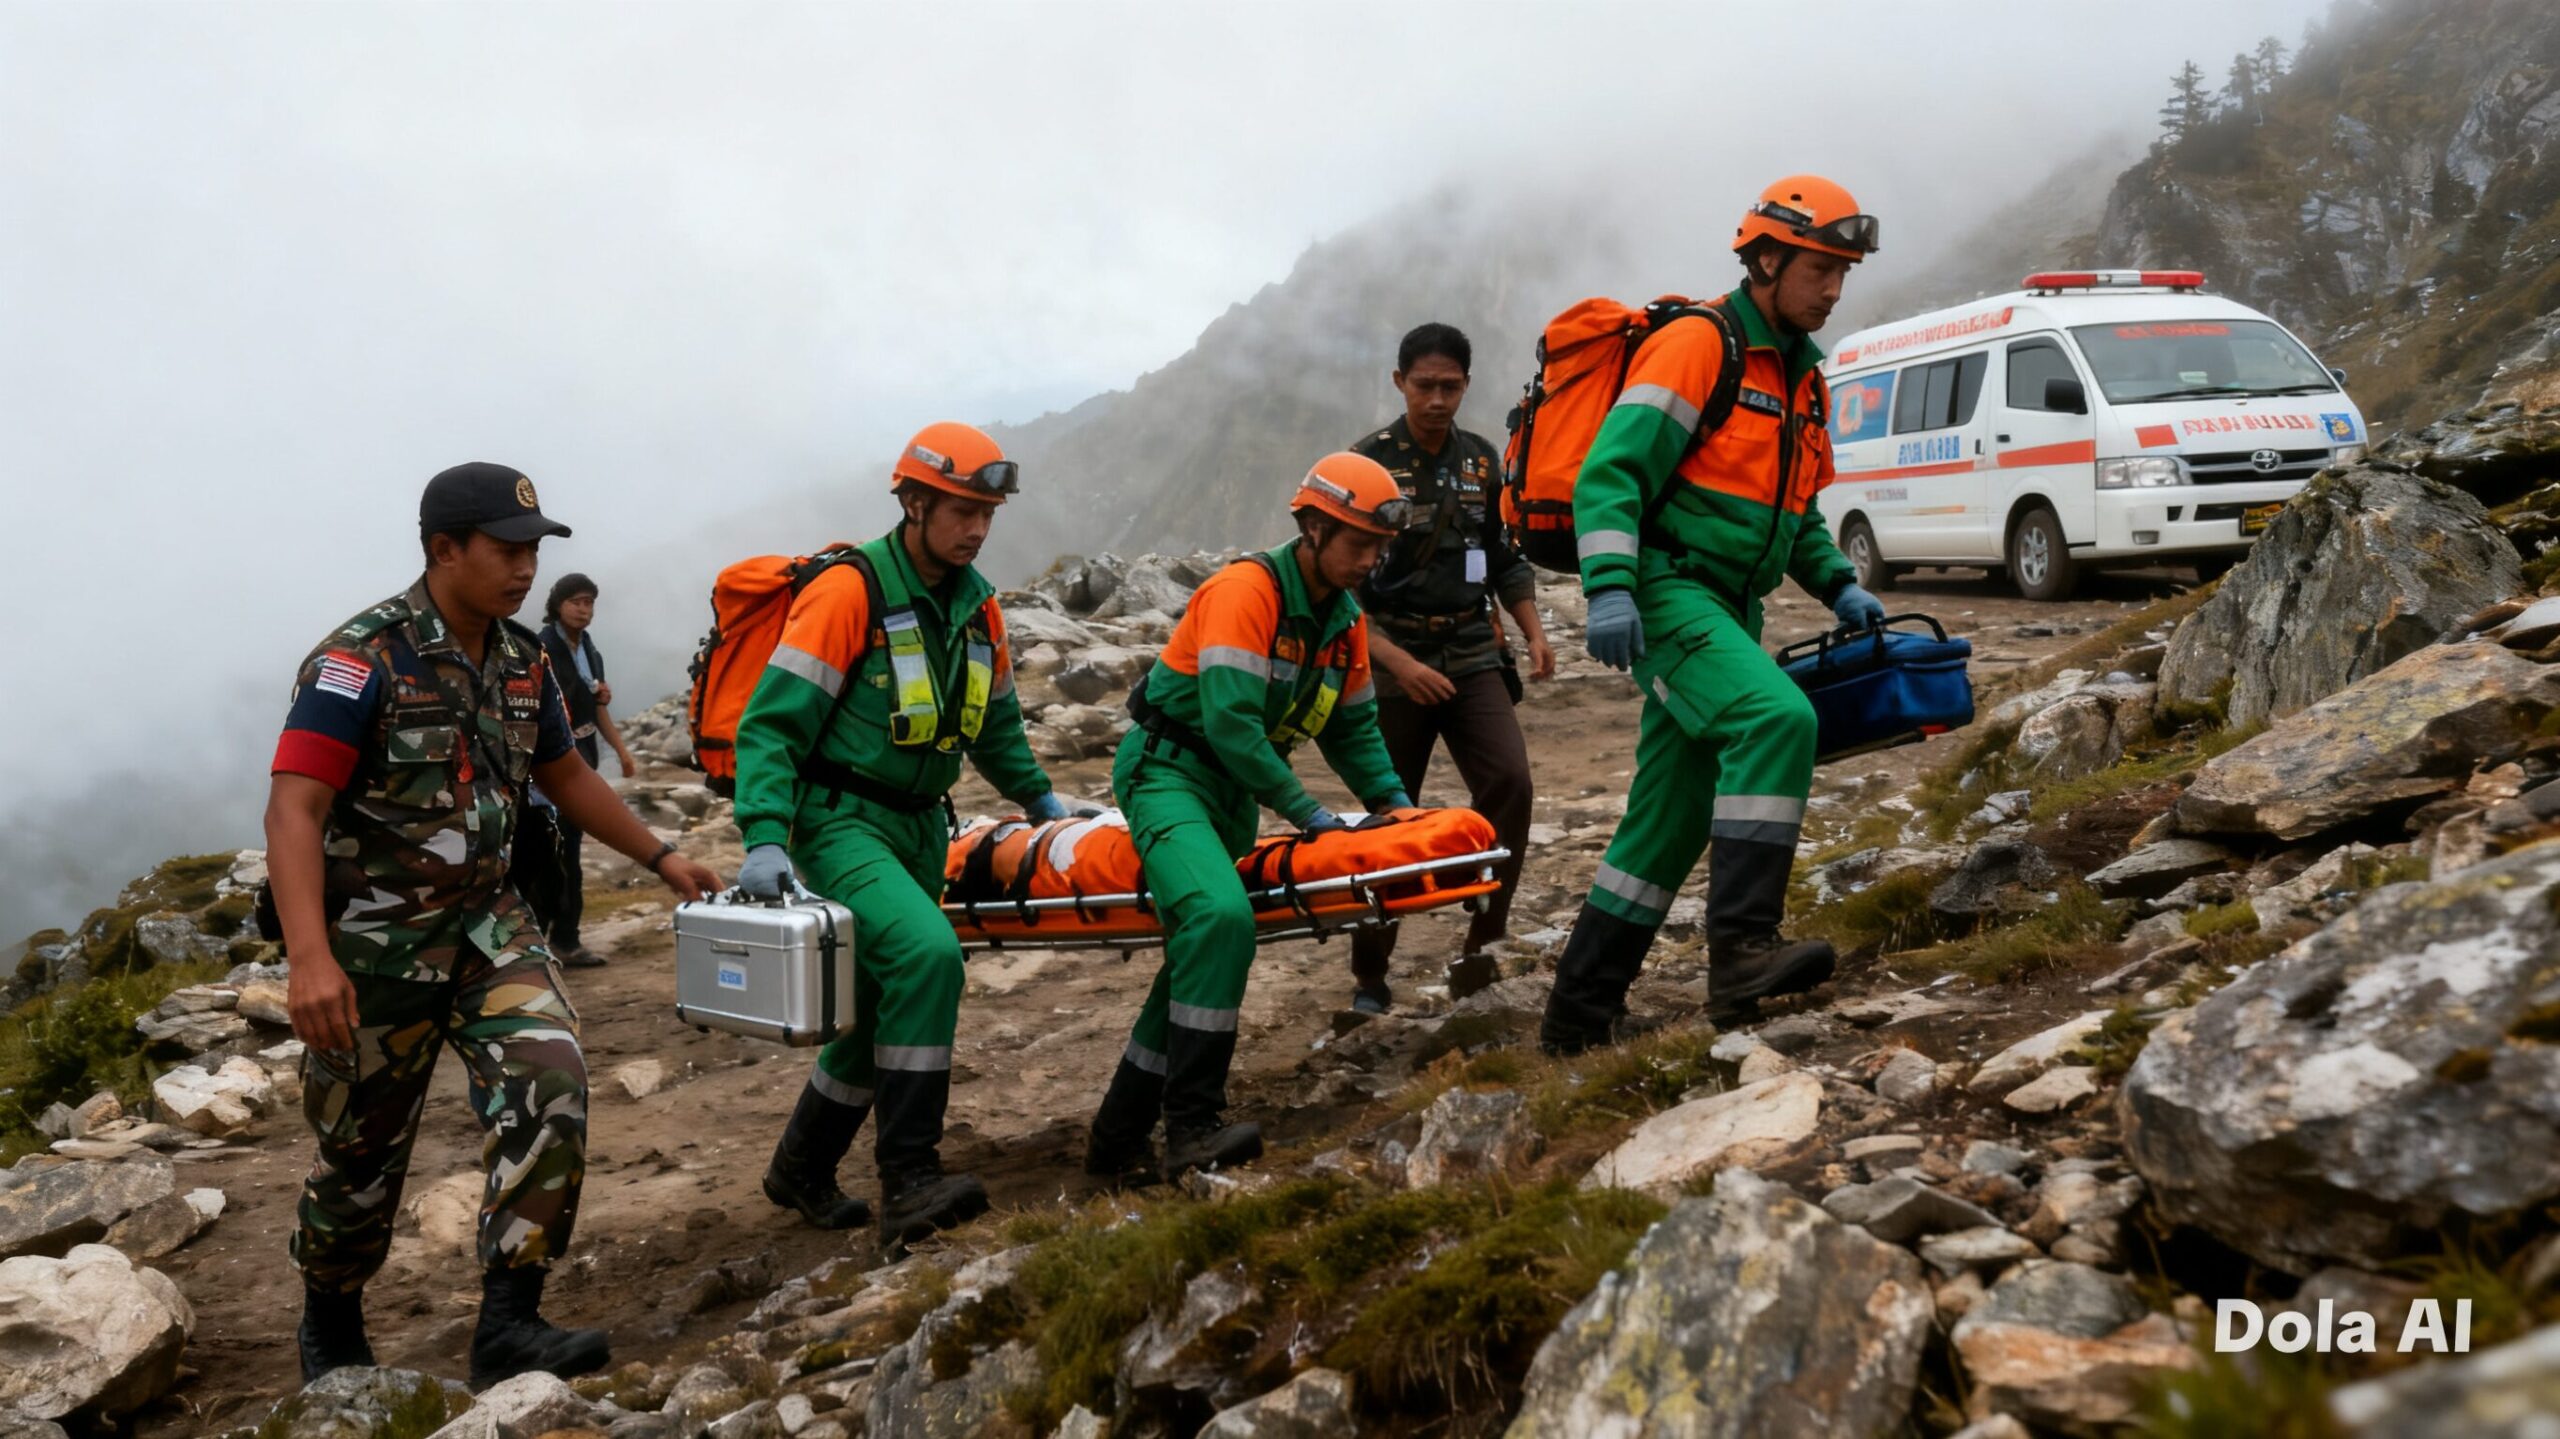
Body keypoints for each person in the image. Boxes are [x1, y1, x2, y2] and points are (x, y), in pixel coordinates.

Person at [266, 462, 720, 1388]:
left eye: (533, 551)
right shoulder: (361, 659)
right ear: (444, 550)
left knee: (550, 1081)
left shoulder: (523, 660)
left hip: (489, 931)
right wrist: (309, 958)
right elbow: (295, 810)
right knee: (361, 1154)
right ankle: (332, 1317)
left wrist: (662, 858)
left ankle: (510, 1320)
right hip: (375, 948)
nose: (524, 568)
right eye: (506, 550)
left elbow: (567, 775)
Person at [1538, 176, 1888, 1056]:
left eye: (1844, 271)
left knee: (1668, 817)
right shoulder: (1702, 344)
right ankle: (1742, 955)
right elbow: (1612, 474)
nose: (1834, 288)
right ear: (1766, 259)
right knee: (1776, 718)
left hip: (1732, 606)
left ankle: (1577, 1017)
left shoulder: (1803, 376)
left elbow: (1793, 509)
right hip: (1669, 591)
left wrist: (1838, 582)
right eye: (1820, 268)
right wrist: (1611, 584)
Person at [731, 422, 1079, 1245]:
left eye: (988, 512)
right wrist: (765, 834)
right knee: (926, 957)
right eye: (962, 509)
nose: (978, 528)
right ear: (913, 501)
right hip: (841, 821)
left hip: (920, 828)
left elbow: (993, 726)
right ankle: (910, 1180)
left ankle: (801, 1167)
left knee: (880, 997)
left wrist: (1039, 798)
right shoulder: (850, 592)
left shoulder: (979, 606)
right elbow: (771, 726)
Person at [1085, 453, 1414, 1184]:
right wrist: (1308, 813)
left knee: (1196, 955)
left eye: (1378, 547)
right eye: (1358, 543)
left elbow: (1353, 730)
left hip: (1230, 793)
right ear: (1312, 526)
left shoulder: (1345, 620)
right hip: (1169, 772)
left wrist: (1395, 806)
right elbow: (1233, 723)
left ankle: (1115, 1142)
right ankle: (1192, 1128)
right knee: (1219, 920)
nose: (1369, 560)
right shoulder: (1245, 591)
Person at [1345, 322, 1554, 1014]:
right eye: (1425, 385)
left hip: (1469, 650)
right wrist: (1400, 665)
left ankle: (1481, 947)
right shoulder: (1365, 467)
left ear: (1467, 385)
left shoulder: (1483, 463)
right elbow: (1337, 594)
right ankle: (1371, 973)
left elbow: (1499, 554)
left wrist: (1531, 630)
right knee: (1390, 811)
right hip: (1391, 658)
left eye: (1451, 386)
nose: (1437, 400)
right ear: (1399, 381)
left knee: (1511, 782)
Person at [512, 572, 640, 968]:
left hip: (581, 752)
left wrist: (622, 752)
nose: (584, 610)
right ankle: (544, 939)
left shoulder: (588, 649)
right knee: (546, 849)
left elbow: (597, 704)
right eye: (576, 602)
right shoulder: (540, 648)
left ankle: (562, 938)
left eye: (589, 603)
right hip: (548, 760)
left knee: (568, 849)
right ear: (558, 604)